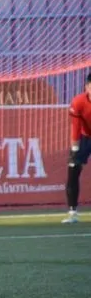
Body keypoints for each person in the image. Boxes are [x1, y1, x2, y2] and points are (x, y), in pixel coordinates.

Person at [63, 72, 91, 224]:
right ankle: (72, 213)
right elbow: (75, 127)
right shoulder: (78, 102)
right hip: (84, 137)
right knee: (73, 170)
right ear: (87, 87)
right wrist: (75, 150)